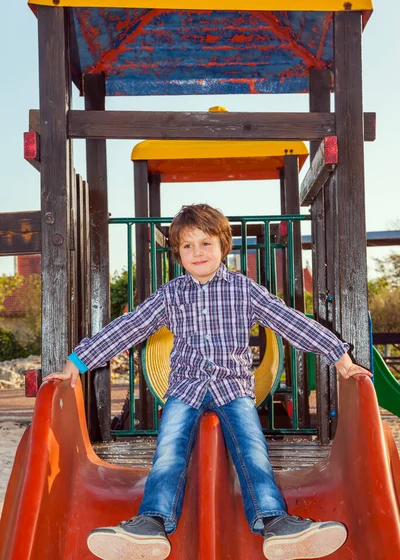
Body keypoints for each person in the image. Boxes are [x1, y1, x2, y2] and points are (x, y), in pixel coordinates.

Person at [44, 203, 372, 560]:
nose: (197, 252)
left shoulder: (244, 290)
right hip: (185, 387)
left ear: (223, 246)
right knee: (168, 450)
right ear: (177, 253)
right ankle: (152, 522)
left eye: (205, 243)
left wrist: (338, 355)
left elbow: (289, 321)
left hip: (233, 387)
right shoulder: (171, 294)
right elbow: (129, 327)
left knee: (252, 449)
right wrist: (78, 362)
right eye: (187, 246)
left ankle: (273, 521)